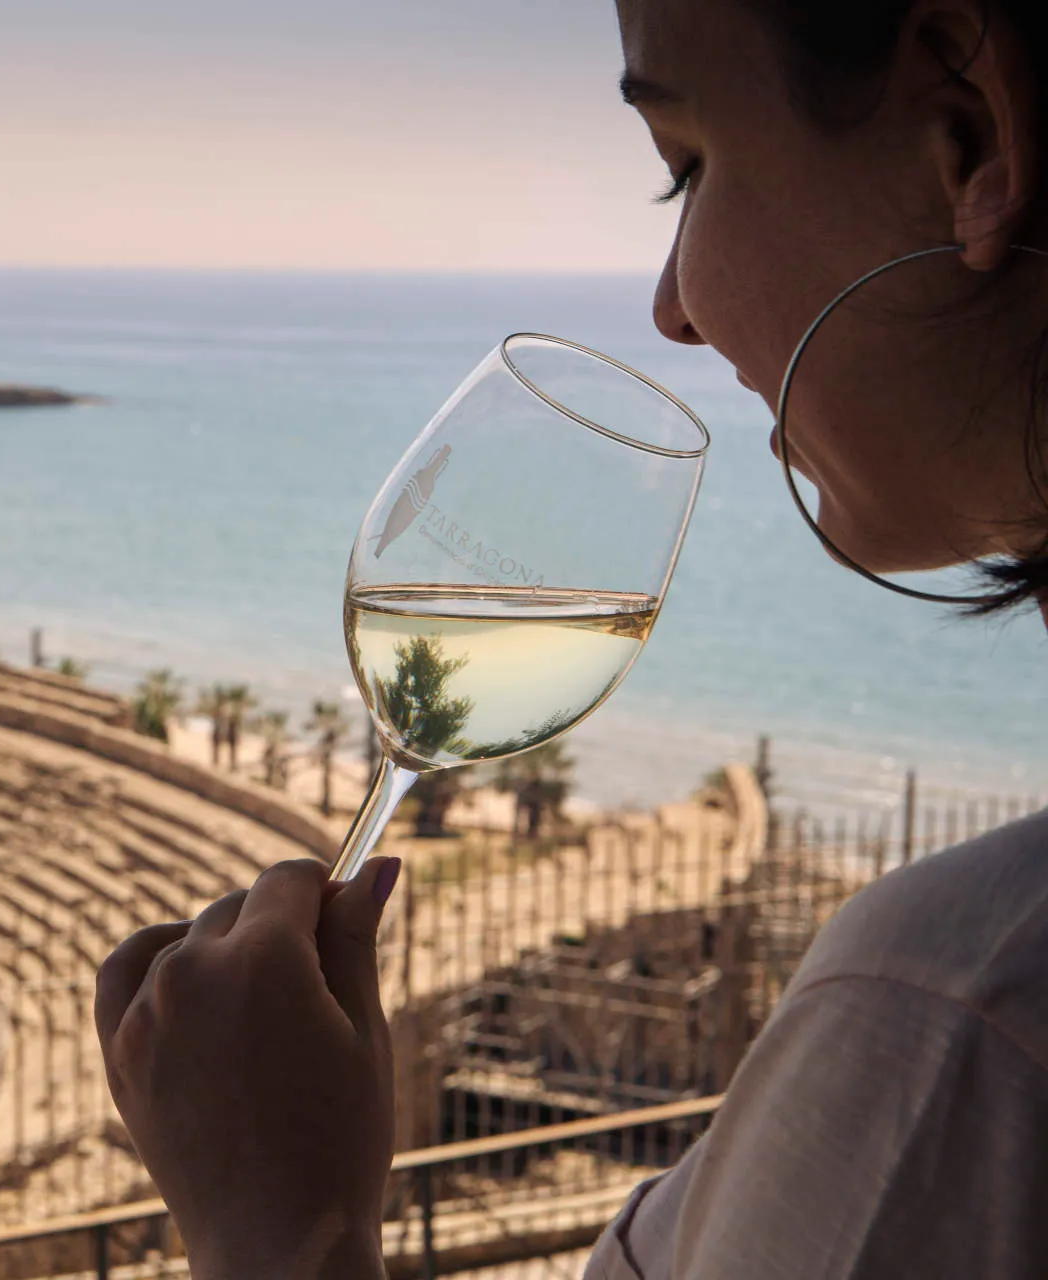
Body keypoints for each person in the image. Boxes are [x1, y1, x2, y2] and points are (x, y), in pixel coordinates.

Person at [95, 2, 1048, 1276]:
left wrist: (279, 1228)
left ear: (967, 136)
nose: (674, 311)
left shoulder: (952, 1030)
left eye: (687, 166)